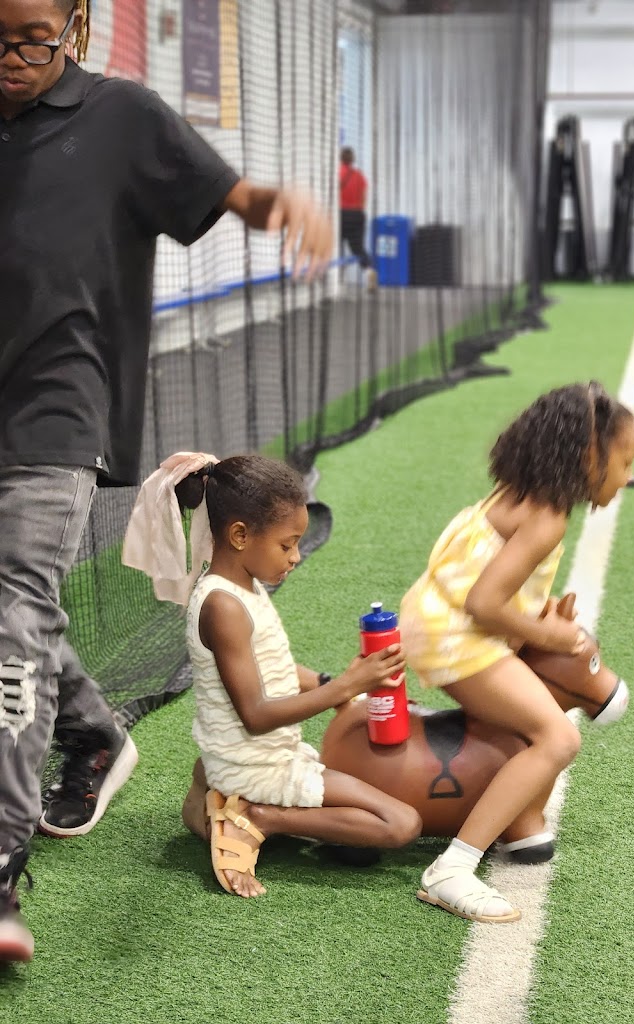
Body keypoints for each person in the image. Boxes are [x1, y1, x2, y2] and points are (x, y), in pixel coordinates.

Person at [0, 0, 333, 962]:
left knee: (13, 618)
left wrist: (280, 205)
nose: (11, 58)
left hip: (60, 407)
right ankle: (94, 733)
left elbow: (228, 194)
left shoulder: (122, 118)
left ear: (76, 24)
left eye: (31, 38)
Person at [399, 381, 634, 923]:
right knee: (559, 737)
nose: (628, 477)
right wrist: (551, 637)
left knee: (534, 713)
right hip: (453, 635)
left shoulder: (516, 493)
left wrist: (539, 608)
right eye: (625, 463)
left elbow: (489, 579)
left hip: (432, 618)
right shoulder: (546, 518)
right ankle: (452, 869)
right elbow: (485, 602)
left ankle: (520, 824)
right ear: (589, 456)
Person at [151, 453, 420, 898]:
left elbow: (272, 668)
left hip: (263, 756)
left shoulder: (243, 586)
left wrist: (334, 686)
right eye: (287, 544)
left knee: (360, 838)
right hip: (258, 766)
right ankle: (259, 816)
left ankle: (213, 787)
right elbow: (256, 714)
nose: (295, 557)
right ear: (240, 535)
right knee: (402, 823)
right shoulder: (222, 606)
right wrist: (348, 685)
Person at [339, 146, 377, 290]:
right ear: (352, 159)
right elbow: (364, 196)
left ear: (341, 158)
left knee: (337, 245)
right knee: (358, 247)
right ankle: (369, 270)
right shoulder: (359, 175)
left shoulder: (338, 173)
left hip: (342, 213)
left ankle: (337, 278)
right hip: (358, 214)